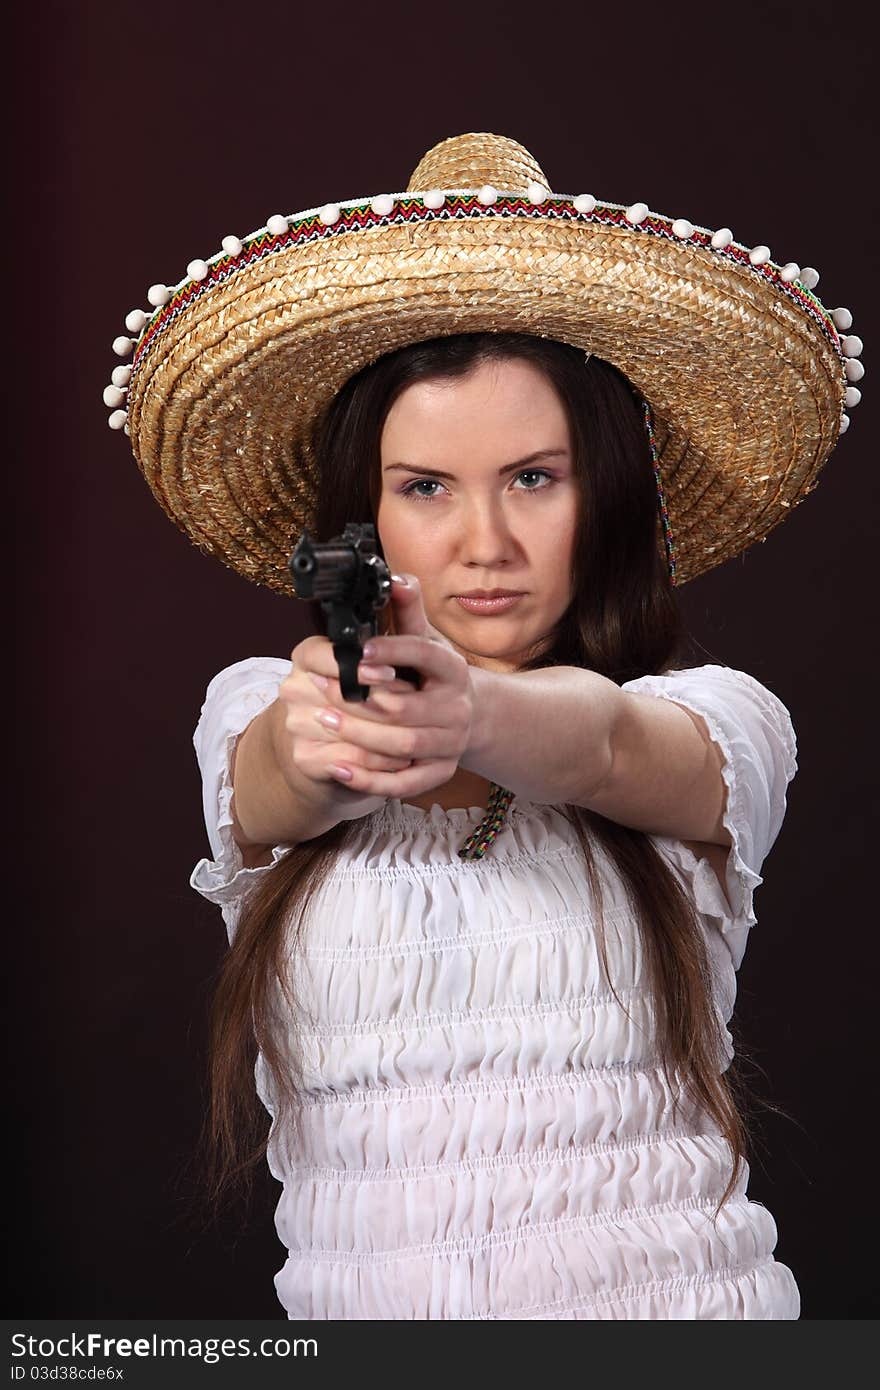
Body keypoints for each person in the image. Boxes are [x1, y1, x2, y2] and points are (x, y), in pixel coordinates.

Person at [105, 133, 861, 1319]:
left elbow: (604, 744)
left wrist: (467, 710)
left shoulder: (719, 722)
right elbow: (272, 783)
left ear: (602, 494)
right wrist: (333, 739)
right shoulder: (266, 703)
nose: (484, 545)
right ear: (361, 518)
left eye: (533, 478)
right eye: (424, 488)